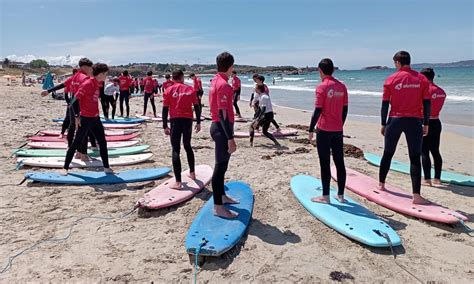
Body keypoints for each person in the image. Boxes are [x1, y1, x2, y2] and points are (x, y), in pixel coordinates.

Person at [379, 51, 431, 204]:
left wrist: (383, 123)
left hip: (395, 120)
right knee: (415, 158)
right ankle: (416, 196)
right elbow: (427, 103)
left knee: (388, 153)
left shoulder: (391, 79)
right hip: (414, 121)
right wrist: (426, 123)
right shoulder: (421, 79)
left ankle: (381, 185)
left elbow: (384, 104)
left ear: (397, 62)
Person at [60, 63, 113, 176]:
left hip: (96, 119)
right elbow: (74, 101)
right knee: (76, 143)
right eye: (105, 74)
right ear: (100, 74)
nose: (106, 76)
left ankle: (107, 167)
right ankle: (65, 168)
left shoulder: (97, 84)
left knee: (103, 143)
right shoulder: (87, 84)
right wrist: (76, 117)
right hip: (85, 119)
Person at [308, 58, 348, 204]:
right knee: (339, 162)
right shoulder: (342, 87)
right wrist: (339, 124)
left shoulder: (321, 87)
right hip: (338, 130)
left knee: (325, 163)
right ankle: (341, 195)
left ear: (320, 70)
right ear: (333, 69)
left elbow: (318, 110)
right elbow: (345, 110)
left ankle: (325, 197)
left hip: (324, 130)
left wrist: (311, 129)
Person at [41, 59, 97, 160]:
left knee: (73, 128)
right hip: (81, 105)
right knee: (83, 130)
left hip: (72, 105)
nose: (91, 70)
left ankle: (75, 151)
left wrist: (48, 91)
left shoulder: (74, 77)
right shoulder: (85, 78)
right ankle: (83, 154)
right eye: (90, 68)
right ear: (85, 67)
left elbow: (62, 85)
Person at [209, 52, 239, 219]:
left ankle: (221, 196)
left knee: (223, 165)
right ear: (231, 67)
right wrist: (230, 137)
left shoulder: (215, 80)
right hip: (222, 129)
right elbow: (222, 114)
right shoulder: (224, 85)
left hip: (218, 127)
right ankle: (218, 207)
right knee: (220, 167)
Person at [162, 70, 201, 189]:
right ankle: (192, 173)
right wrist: (198, 122)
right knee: (187, 146)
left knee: (175, 149)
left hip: (175, 121)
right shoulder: (190, 89)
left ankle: (178, 182)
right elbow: (197, 107)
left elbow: (164, 109)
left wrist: (165, 125)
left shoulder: (168, 90)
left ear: (173, 78)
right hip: (188, 120)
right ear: (182, 77)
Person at [420, 68, 446, 186]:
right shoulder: (442, 92)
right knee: (435, 151)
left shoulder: (424, 91)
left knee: (424, 151)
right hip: (436, 122)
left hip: (425, 122)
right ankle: (437, 178)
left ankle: (427, 179)